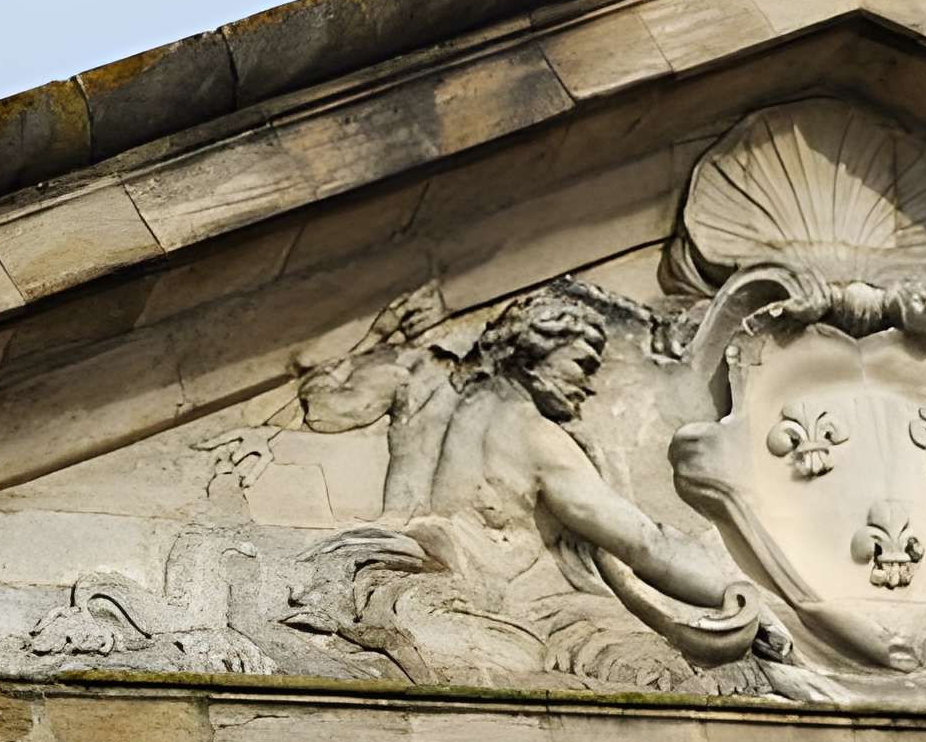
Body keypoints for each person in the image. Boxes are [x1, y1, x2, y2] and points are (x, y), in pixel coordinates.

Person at [287, 281, 776, 687]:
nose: (588, 386)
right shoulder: (534, 434)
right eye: (582, 364)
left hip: (410, 583)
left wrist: (375, 340)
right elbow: (643, 542)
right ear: (535, 350)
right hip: (501, 603)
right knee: (658, 675)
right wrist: (733, 592)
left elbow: (324, 407)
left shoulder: (425, 392)